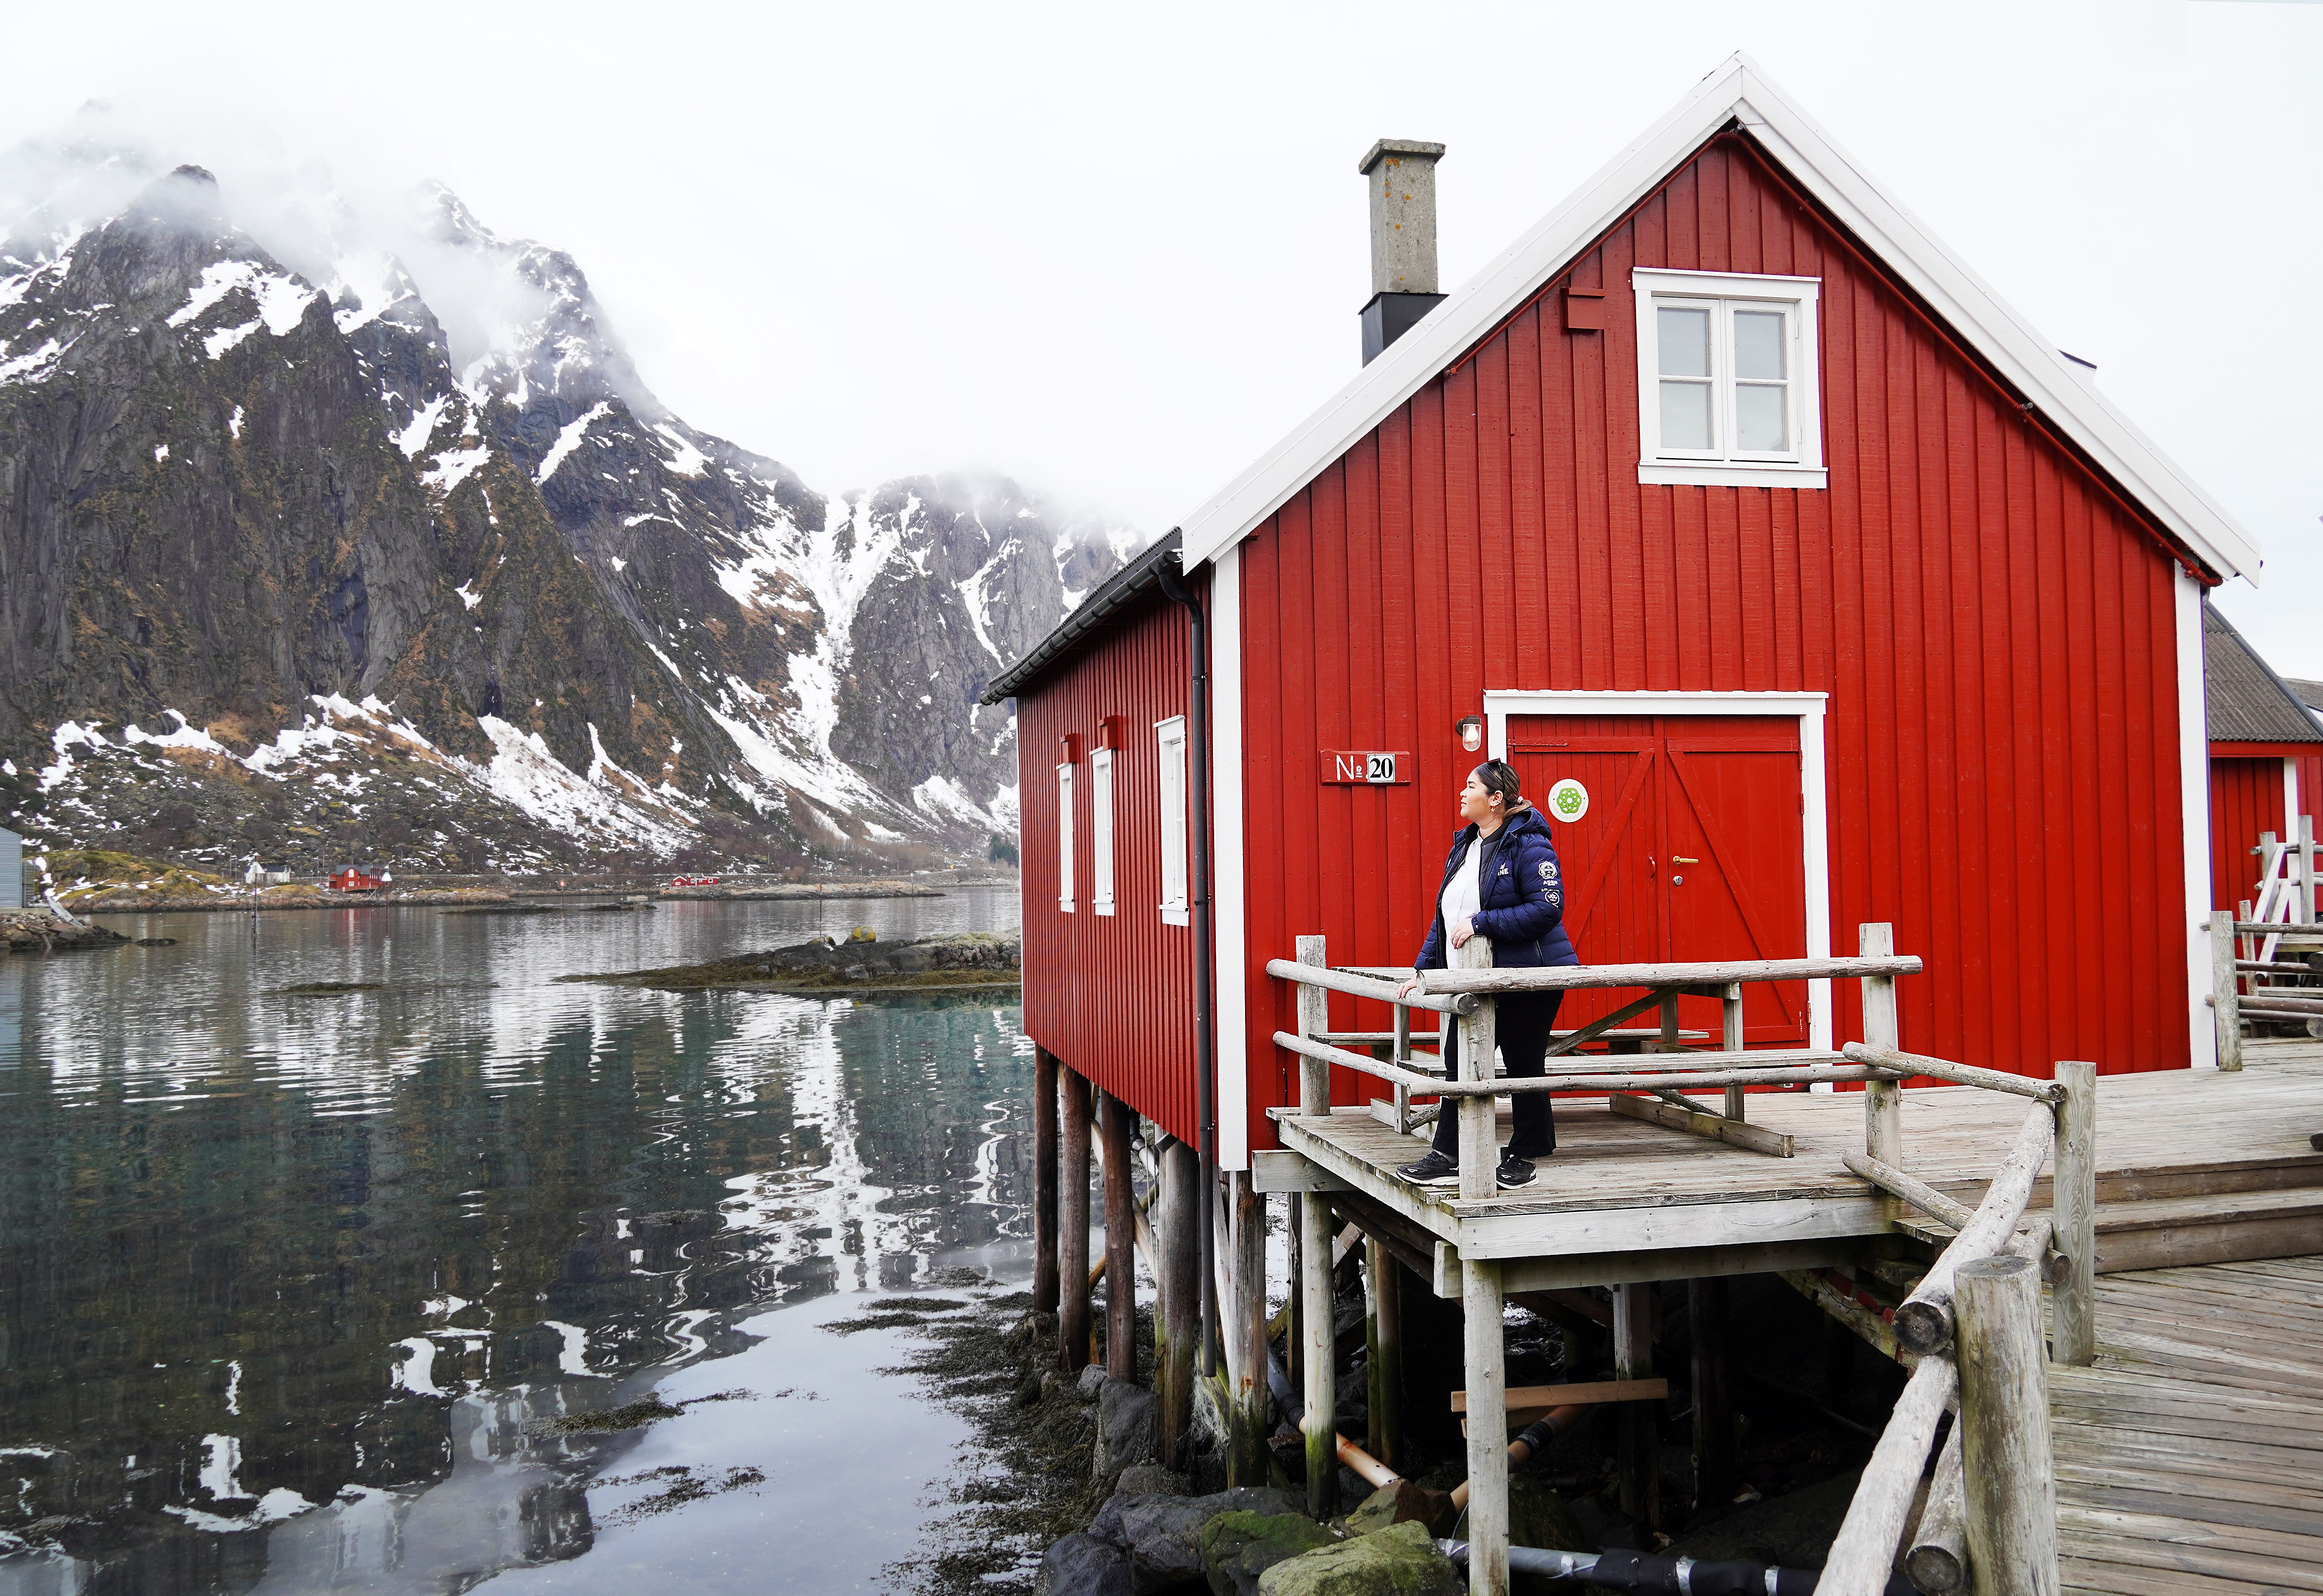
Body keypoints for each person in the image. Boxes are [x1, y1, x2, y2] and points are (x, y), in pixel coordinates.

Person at [1393, 759, 1579, 1190]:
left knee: (1522, 1063)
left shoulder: (1528, 843)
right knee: (1458, 1062)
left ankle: (1524, 1154)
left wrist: (1484, 922)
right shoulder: (1466, 846)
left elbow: (1547, 907)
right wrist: (1423, 971)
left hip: (1530, 976)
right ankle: (1449, 1155)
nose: (1463, 792)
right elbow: (1447, 919)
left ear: (1496, 799)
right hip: (1478, 980)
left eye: (1471, 786)